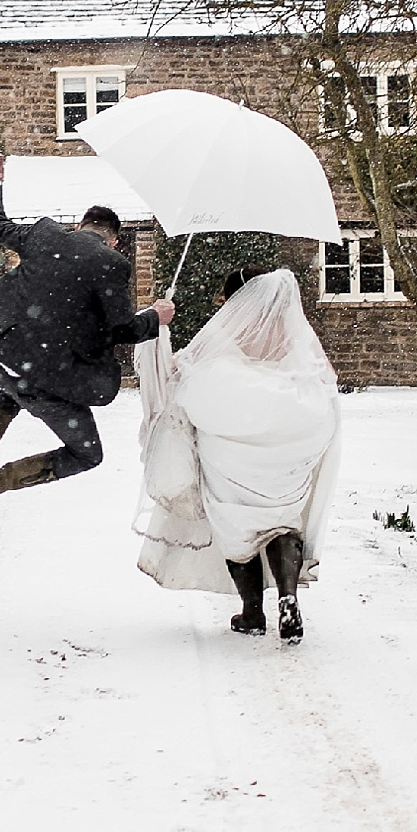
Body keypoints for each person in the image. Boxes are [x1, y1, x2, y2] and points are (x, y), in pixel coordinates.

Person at [0, 149, 174, 527]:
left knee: (14, 388)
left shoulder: (43, 235)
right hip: (47, 380)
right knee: (87, 454)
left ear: (79, 226)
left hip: (3, 356)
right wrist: (155, 317)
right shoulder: (111, 264)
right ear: (114, 241)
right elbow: (122, 329)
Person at [133, 265, 341, 643]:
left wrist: (158, 331)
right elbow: (326, 378)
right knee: (282, 517)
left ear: (237, 298)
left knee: (236, 523)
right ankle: (288, 596)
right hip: (290, 439)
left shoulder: (227, 329)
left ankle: (252, 612)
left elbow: (180, 369)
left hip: (232, 439)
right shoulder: (295, 331)